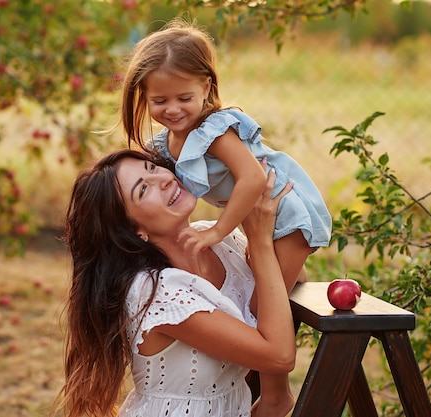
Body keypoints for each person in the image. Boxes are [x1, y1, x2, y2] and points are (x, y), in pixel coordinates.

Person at [118, 21, 332, 415]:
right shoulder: (168, 141)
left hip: (284, 216)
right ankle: (290, 274)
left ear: (206, 86)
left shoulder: (215, 129)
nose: (172, 109)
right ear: (143, 97)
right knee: (263, 283)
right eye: (159, 101)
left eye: (184, 97)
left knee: (259, 310)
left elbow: (252, 180)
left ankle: (275, 396)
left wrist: (220, 229)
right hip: (264, 222)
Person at [55, 149, 296, 417]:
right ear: (134, 231)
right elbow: (279, 356)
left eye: (152, 168)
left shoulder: (222, 243)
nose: (165, 180)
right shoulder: (154, 291)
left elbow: (288, 282)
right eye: (143, 189)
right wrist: (261, 243)